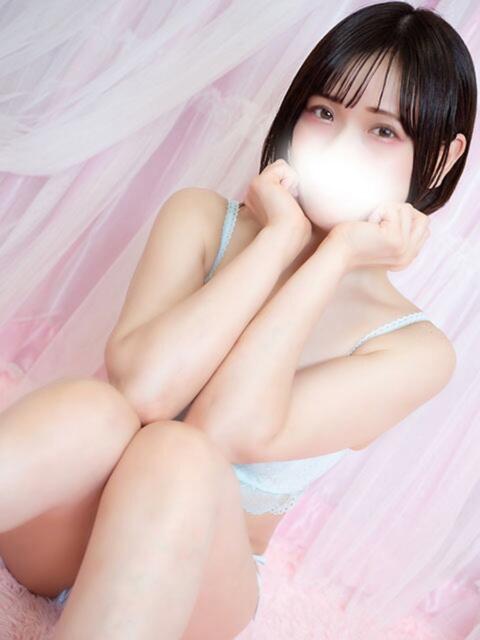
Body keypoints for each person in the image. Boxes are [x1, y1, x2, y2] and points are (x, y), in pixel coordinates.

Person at [0, 2, 476, 639]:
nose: (339, 145)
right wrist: (278, 239)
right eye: (324, 113)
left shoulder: (415, 351)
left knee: (177, 451)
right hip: (66, 530)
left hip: (195, 581)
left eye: (382, 131)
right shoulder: (201, 218)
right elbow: (143, 391)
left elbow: (220, 429)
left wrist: (334, 256)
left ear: (441, 158)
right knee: (98, 407)